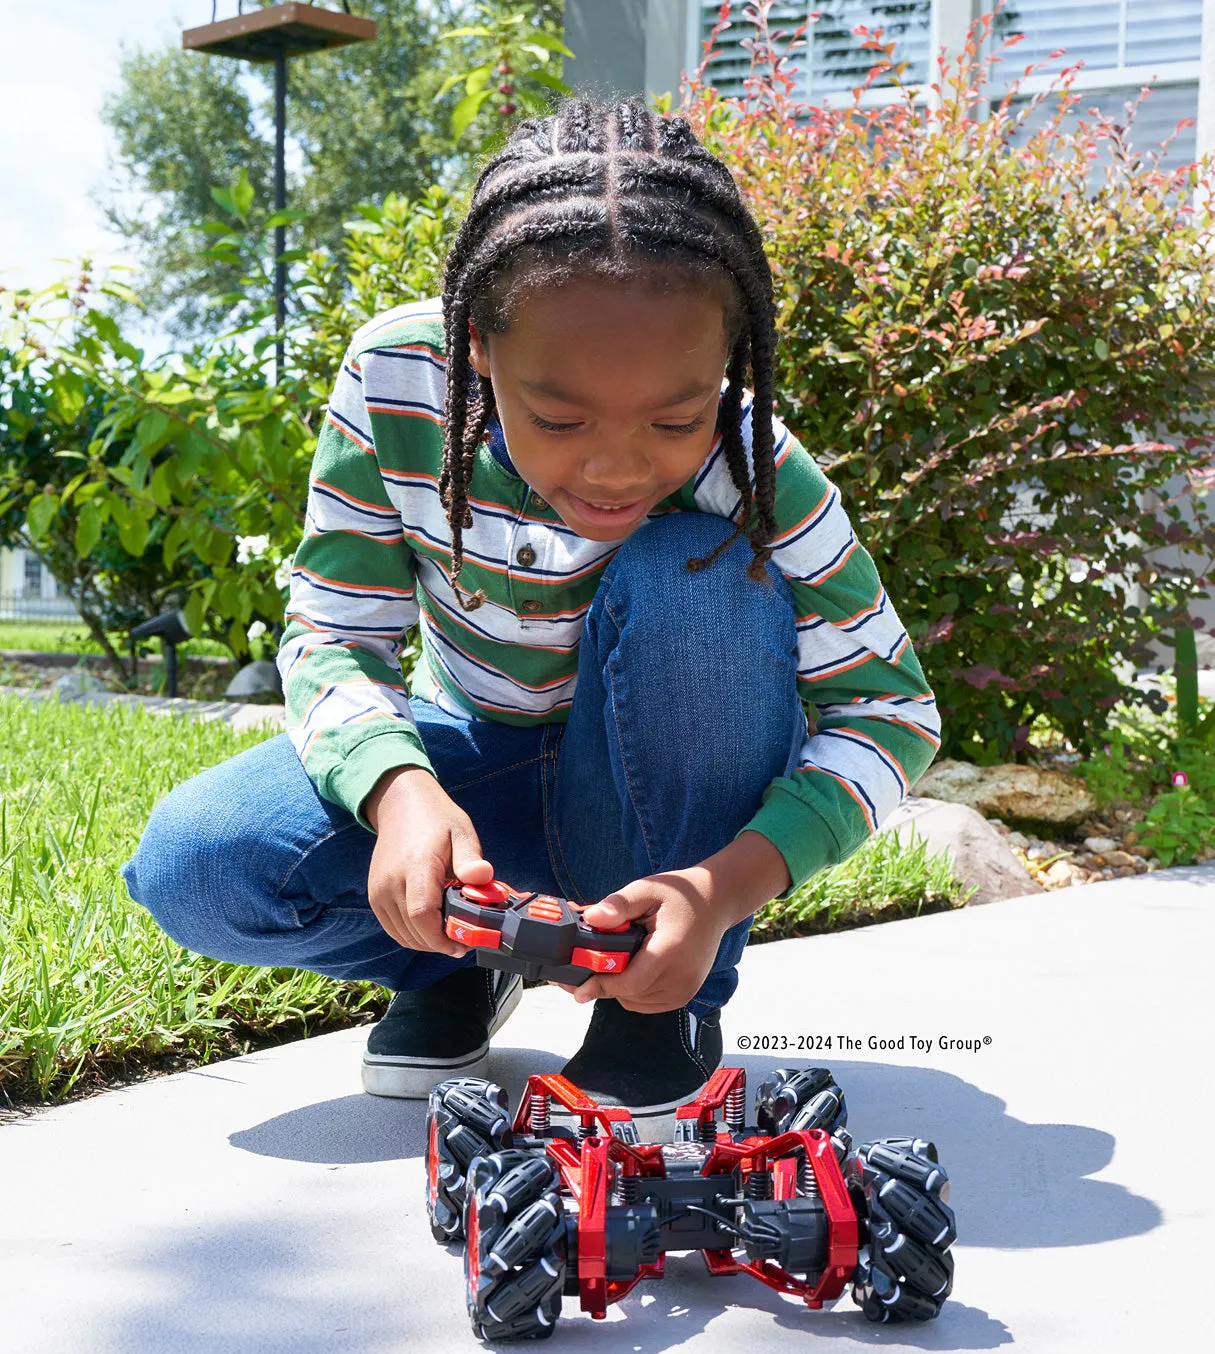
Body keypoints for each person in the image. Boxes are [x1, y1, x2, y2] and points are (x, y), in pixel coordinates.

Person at [123, 96, 940, 1139]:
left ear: (727, 372)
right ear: (476, 348)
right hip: (479, 771)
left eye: (676, 418)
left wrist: (720, 889)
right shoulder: (393, 382)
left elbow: (891, 714)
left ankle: (663, 1007)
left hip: (671, 813)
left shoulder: (757, 469)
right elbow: (335, 631)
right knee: (199, 863)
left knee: (694, 578)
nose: (613, 465)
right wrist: (400, 795)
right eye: (557, 417)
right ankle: (460, 959)